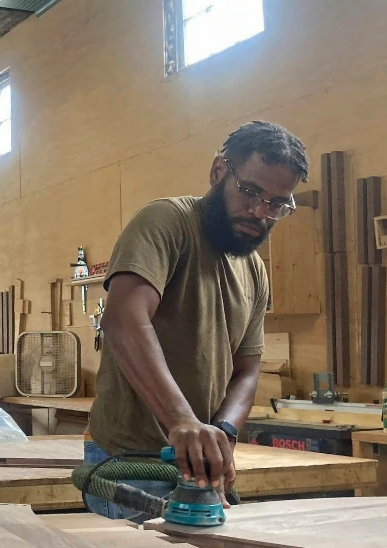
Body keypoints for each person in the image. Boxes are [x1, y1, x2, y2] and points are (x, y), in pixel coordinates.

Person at [84, 121, 308, 521]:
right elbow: (123, 320)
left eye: (276, 204)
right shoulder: (166, 222)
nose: (259, 212)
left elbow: (247, 369)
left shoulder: (255, 269)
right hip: (132, 461)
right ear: (219, 171)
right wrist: (182, 422)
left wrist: (222, 433)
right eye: (251, 191)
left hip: (198, 468)